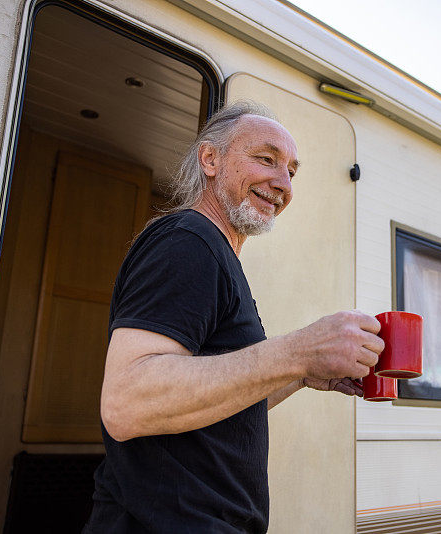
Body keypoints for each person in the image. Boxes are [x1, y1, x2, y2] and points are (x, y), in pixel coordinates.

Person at [83, 102, 384, 533]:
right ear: (210, 159)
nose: (282, 183)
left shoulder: (217, 254)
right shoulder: (189, 241)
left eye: (292, 171)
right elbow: (126, 404)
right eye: (265, 159)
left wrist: (301, 373)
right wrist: (299, 350)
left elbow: (215, 400)